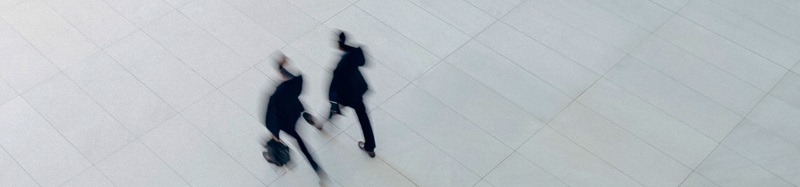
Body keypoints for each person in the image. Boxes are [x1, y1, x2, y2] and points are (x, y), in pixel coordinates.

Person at [322, 31, 376, 158]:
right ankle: (370, 147)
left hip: (345, 96)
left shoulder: (340, 66)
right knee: (364, 119)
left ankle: (323, 122)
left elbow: (334, 87)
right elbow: (363, 62)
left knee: (333, 106)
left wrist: (334, 103)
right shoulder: (355, 53)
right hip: (357, 92)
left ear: (338, 45)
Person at [264, 54, 321, 171]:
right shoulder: (298, 80)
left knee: (286, 140)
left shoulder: (276, 95)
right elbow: (296, 88)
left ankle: (277, 158)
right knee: (300, 143)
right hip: (294, 111)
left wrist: (275, 134)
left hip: (285, 122)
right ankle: (315, 167)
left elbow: (273, 114)